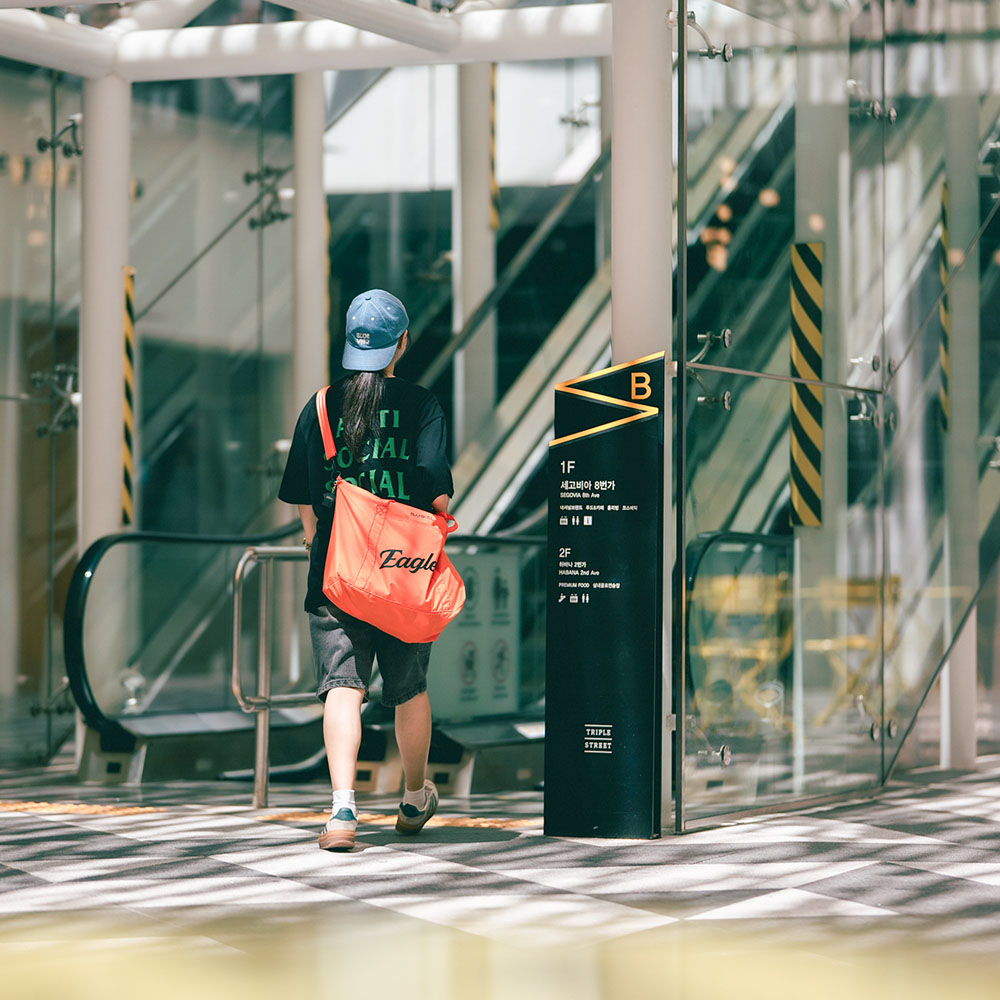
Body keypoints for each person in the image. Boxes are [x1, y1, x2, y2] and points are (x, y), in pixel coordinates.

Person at [278, 289, 454, 851]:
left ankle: (342, 811)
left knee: (342, 688)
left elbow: (303, 497)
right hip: (403, 575)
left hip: (336, 574)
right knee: (410, 690)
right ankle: (413, 796)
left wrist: (319, 544)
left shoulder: (321, 406)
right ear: (402, 343)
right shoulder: (423, 404)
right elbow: (437, 491)